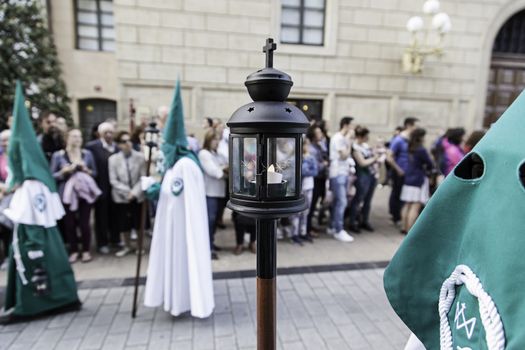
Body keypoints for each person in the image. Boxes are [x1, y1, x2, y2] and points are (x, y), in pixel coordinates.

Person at [0, 82, 79, 324]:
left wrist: (33, 249)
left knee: (38, 270)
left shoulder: (32, 186)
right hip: (43, 239)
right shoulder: (34, 183)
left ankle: (30, 306)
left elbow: (33, 221)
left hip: (34, 240)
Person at [143, 80, 214, 319]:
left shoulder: (185, 165)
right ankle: (174, 299)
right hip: (172, 225)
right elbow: (168, 189)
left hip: (182, 228)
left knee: (183, 263)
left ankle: (184, 302)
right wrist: (153, 187)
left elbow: (174, 193)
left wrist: (156, 189)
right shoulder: (175, 165)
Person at [50, 129, 100, 264]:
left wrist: (86, 170)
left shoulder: (87, 154)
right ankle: (73, 250)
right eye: (74, 136)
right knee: (69, 224)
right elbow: (52, 175)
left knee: (85, 223)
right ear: (67, 138)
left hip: (84, 194)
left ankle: (86, 250)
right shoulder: (58, 155)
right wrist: (64, 171)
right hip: (66, 194)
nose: (77, 139)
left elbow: (95, 173)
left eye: (79, 136)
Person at [108, 131, 146, 257]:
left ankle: (140, 247)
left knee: (138, 222)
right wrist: (127, 192)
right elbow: (113, 180)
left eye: (129, 140)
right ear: (119, 144)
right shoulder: (113, 160)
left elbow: (143, 177)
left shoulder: (140, 157)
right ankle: (126, 245)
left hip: (137, 195)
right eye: (124, 141)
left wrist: (134, 193)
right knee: (123, 223)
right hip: (121, 196)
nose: (128, 143)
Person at [85, 122, 119, 254]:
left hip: (114, 187)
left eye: (111, 132)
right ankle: (102, 242)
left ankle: (115, 239)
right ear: (100, 134)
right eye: (106, 133)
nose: (109, 135)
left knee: (115, 215)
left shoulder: (116, 148)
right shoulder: (92, 147)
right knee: (101, 217)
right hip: (100, 187)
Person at [198, 130, 228, 260]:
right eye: (214, 139)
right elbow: (215, 172)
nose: (216, 142)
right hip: (210, 192)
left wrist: (223, 169)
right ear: (208, 140)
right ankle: (207, 248)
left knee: (215, 221)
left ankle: (211, 243)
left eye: (218, 139)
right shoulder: (204, 153)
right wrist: (223, 169)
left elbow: (228, 164)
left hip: (220, 192)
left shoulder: (219, 154)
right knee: (209, 221)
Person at [400, 128, 434, 233]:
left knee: (407, 204)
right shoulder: (421, 149)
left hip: (409, 177)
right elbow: (430, 164)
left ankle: (403, 227)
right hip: (418, 179)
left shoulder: (409, 146)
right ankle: (409, 230)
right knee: (415, 206)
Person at [328, 116, 356, 243]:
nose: (352, 128)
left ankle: (332, 226)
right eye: (351, 125)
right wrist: (349, 141)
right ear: (345, 125)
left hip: (342, 173)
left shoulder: (341, 138)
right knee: (342, 202)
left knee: (337, 202)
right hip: (338, 173)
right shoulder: (339, 138)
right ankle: (339, 230)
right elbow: (344, 156)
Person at [348, 126, 379, 233]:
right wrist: (375, 158)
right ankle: (352, 221)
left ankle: (364, 220)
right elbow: (362, 163)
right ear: (361, 136)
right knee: (358, 199)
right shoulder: (355, 148)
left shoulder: (365, 146)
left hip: (371, 175)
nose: (368, 138)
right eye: (366, 136)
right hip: (362, 176)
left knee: (368, 200)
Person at [388, 117, 419, 227]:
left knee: (404, 196)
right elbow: (389, 156)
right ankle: (396, 216)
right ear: (409, 125)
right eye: (415, 126)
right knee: (397, 194)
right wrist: (398, 169)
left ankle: (402, 218)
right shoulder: (398, 140)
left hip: (409, 173)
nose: (417, 128)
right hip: (399, 172)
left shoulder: (411, 139)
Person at [307, 125, 329, 234]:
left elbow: (326, 155)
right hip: (315, 179)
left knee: (317, 202)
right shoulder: (312, 149)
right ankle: (307, 228)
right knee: (311, 204)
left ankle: (310, 226)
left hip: (321, 178)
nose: (321, 134)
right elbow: (316, 167)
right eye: (318, 133)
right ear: (313, 136)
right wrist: (324, 164)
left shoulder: (319, 145)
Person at [298, 138, 318, 242]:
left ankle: (303, 232)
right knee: (298, 213)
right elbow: (301, 172)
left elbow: (315, 171)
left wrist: (306, 170)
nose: (308, 147)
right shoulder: (299, 157)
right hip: (301, 188)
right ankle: (295, 234)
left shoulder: (311, 158)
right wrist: (306, 167)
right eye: (306, 145)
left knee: (306, 211)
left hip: (309, 186)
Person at [0, 130, 11, 271]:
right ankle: (8, 257)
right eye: (2, 140)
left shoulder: (21, 154)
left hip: (19, 194)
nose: (5, 143)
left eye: (7, 139)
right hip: (4, 195)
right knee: (5, 225)